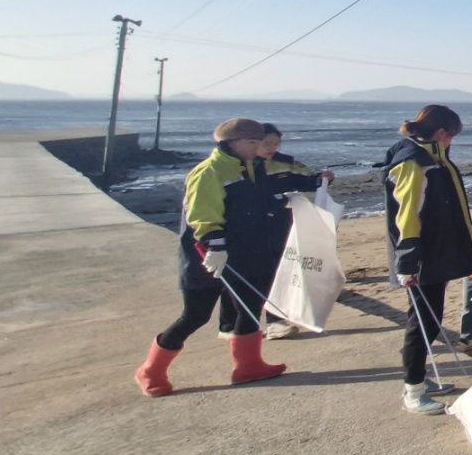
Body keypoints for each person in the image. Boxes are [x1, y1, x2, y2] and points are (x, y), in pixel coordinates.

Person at [134, 118, 288, 396]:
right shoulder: (209, 172)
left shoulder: (251, 169)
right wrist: (215, 247)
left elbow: (259, 202)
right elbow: (202, 215)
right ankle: (151, 369)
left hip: (246, 254)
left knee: (249, 307)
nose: (257, 148)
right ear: (230, 143)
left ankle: (248, 365)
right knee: (196, 314)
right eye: (251, 143)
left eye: (258, 142)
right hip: (207, 257)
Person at [382, 105, 472, 416]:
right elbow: (407, 214)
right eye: (452, 136)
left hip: (437, 251)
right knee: (421, 321)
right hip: (422, 256)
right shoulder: (414, 162)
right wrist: (407, 260)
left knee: (431, 316)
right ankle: (413, 388)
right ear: (442, 133)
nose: (453, 143)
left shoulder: (432, 157)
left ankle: (421, 378)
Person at [255, 123, 333, 341]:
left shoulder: (285, 162)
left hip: (281, 223)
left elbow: (309, 178)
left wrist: (323, 178)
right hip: (252, 226)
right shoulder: (244, 166)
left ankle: (275, 321)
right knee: (255, 274)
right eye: (266, 143)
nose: (271, 147)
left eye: (275, 143)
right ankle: (237, 326)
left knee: (279, 270)